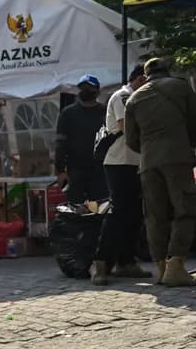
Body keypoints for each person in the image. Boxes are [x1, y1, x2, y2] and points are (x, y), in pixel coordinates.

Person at [126, 57, 196, 287]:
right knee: (185, 209)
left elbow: (131, 140)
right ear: (166, 71)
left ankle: (161, 268)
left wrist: (149, 150)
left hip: (148, 163)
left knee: (155, 216)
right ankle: (176, 265)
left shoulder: (134, 98)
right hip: (177, 158)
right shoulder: (180, 86)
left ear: (145, 76)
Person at [92, 64, 151, 285]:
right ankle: (100, 262)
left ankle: (126, 261)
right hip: (119, 161)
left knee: (134, 213)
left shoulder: (139, 98)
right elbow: (126, 125)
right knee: (118, 212)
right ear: (140, 79)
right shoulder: (124, 96)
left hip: (135, 161)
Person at [55, 75, 109, 204]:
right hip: (75, 171)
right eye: (82, 88)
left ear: (97, 91)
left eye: (89, 88)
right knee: (75, 210)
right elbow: (60, 143)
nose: (85, 91)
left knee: (101, 209)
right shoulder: (68, 113)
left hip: (101, 170)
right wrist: (60, 171)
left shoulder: (106, 112)